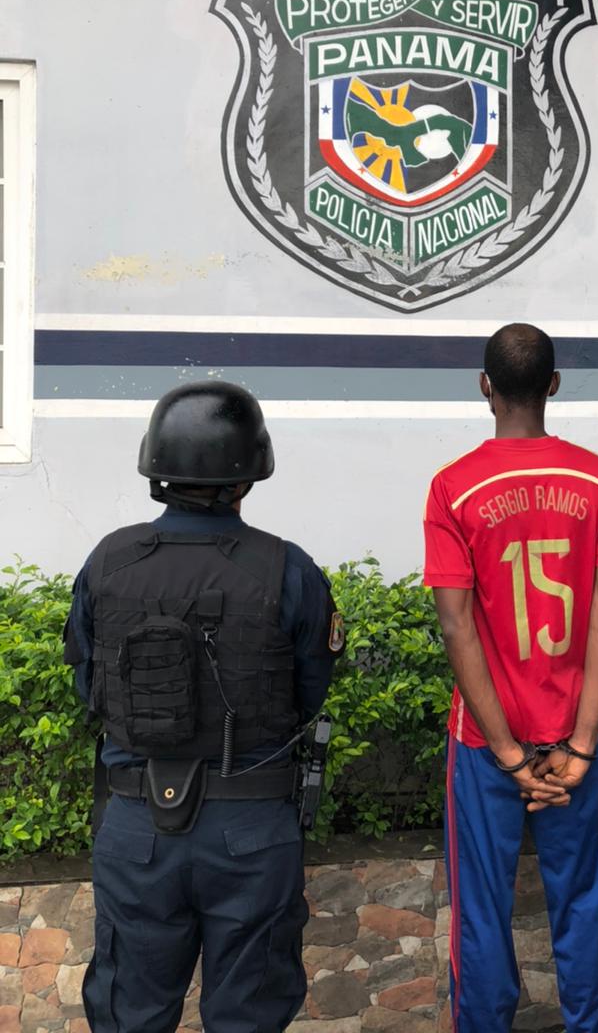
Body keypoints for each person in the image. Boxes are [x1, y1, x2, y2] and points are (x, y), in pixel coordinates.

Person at [63, 381, 343, 1033]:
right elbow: (309, 694)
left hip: (137, 827)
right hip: (251, 831)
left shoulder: (107, 560)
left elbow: (88, 688)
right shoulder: (288, 569)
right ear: (250, 472)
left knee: (129, 1016)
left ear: (155, 466)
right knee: (248, 1017)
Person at [423, 323, 598, 1033]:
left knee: (482, 910)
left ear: (485, 387)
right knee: (583, 904)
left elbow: (457, 625)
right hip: (578, 740)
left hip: (485, 744)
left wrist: (510, 754)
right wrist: (580, 745)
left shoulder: (452, 488)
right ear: (554, 385)